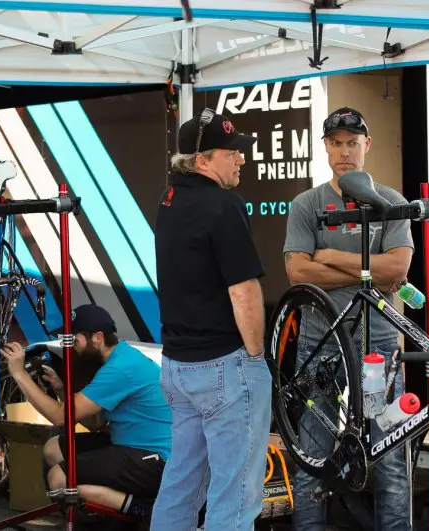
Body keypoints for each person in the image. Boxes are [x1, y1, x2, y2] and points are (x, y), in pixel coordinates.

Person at [283, 107, 414, 531]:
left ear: (367, 145)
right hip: (319, 343)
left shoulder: (392, 202)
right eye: (336, 143)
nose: (344, 152)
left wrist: (333, 257)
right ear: (324, 147)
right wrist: (367, 268)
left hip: (379, 346)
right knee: (311, 460)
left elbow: (397, 272)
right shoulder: (307, 203)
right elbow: (298, 272)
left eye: (352, 143)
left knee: (390, 460)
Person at [152, 109, 271, 530]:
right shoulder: (223, 204)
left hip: (179, 367)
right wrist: (256, 357)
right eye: (231, 152)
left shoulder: (170, 200)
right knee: (234, 498)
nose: (241, 158)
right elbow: (244, 292)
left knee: (180, 485)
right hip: (224, 366)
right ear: (202, 161)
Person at [0, 304, 172, 526]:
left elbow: (61, 418)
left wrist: (19, 373)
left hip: (154, 460)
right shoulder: (118, 358)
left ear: (97, 338)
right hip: (129, 445)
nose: (72, 347)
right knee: (53, 449)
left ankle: (140, 508)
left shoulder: (119, 368)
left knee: (59, 478)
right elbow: (96, 423)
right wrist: (62, 390)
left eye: (75, 340)